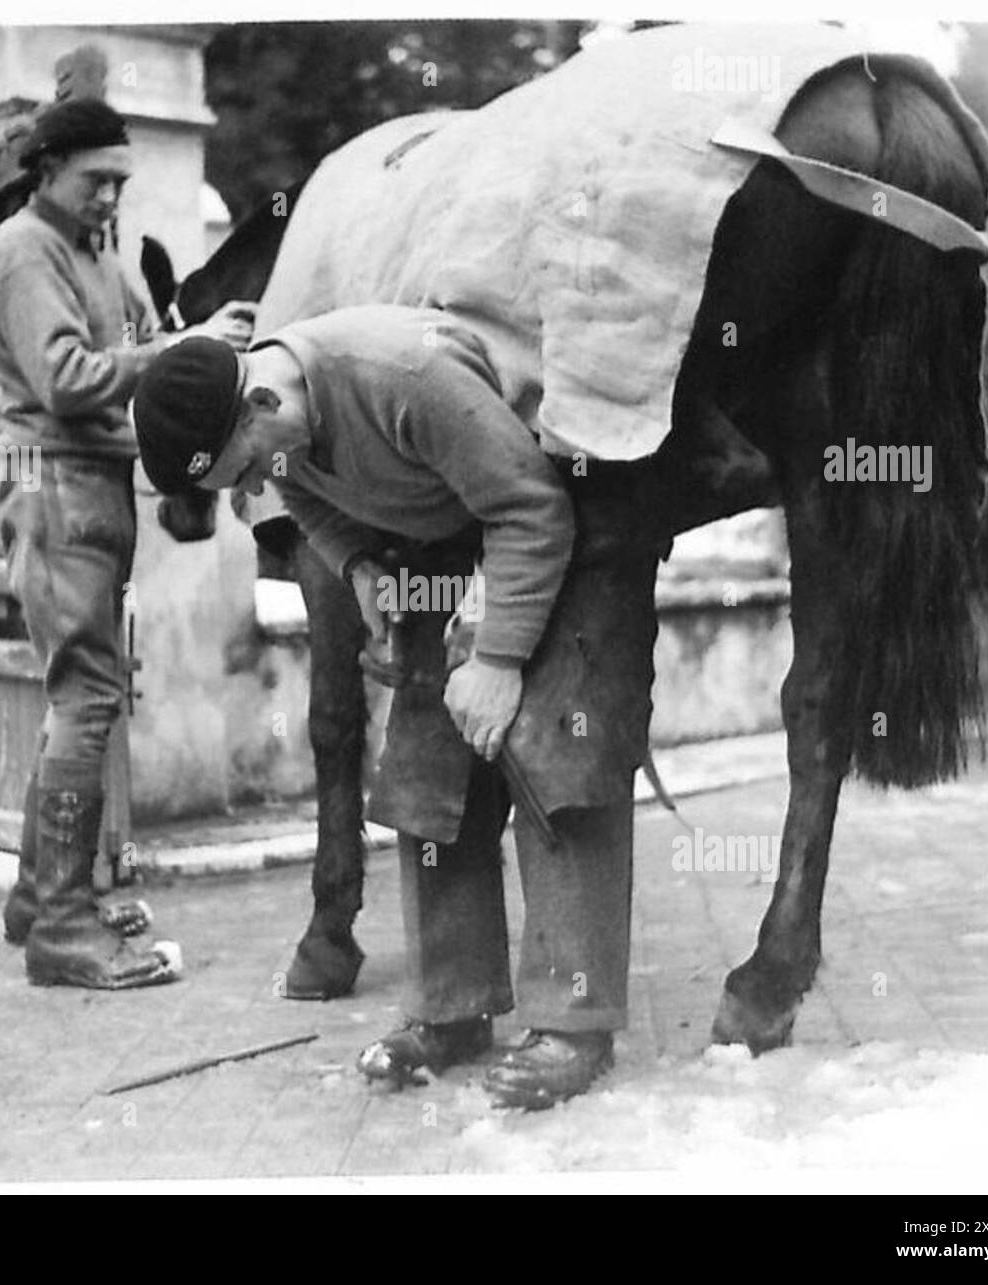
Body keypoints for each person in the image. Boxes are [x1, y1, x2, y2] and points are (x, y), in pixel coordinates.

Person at [132, 305, 657, 1108]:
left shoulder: (404, 379)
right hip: (452, 528)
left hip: (566, 509)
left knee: (554, 746)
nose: (250, 490)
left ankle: (573, 1024)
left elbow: (532, 507)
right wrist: (357, 565)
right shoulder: (274, 426)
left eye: (240, 471)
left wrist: (498, 657)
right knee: (425, 767)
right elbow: (299, 495)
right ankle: (453, 1008)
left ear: (263, 405)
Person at [0, 97, 255, 988]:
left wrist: (192, 349)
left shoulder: (99, 255)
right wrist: (185, 352)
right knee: (88, 696)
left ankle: (36, 898)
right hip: (56, 489)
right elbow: (63, 379)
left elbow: (148, 349)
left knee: (80, 693)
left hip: (90, 488)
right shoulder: (23, 250)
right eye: (96, 181)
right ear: (47, 169)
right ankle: (60, 924)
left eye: (120, 182)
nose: (110, 198)